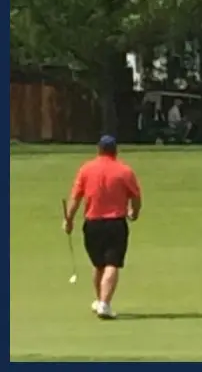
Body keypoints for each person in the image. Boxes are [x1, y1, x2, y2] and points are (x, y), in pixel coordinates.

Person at [62, 135, 142, 319]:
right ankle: (104, 303)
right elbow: (136, 197)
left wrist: (69, 219)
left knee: (98, 264)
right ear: (115, 150)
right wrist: (134, 212)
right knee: (112, 263)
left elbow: (76, 196)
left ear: (98, 149)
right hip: (115, 223)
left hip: (92, 223)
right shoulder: (124, 171)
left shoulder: (86, 169)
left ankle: (101, 301)